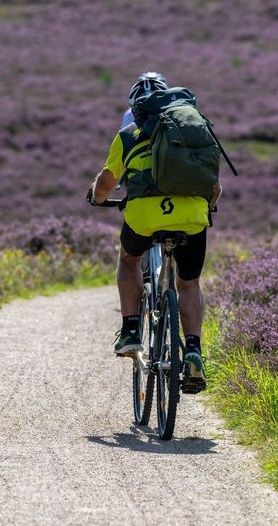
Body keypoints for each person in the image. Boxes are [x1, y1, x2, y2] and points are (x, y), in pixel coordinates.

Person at [88, 73, 221, 392]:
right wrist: (203, 207)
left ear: (136, 108)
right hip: (192, 218)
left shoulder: (129, 133)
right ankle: (192, 351)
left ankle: (131, 330)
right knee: (188, 283)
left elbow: (107, 182)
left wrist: (96, 196)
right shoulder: (194, 131)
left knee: (130, 260)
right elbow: (214, 188)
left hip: (145, 217)